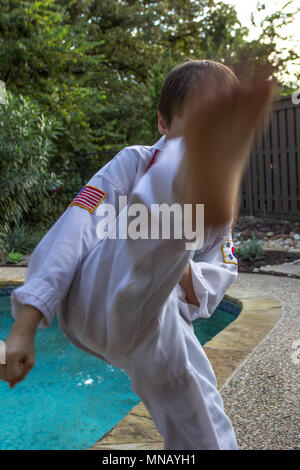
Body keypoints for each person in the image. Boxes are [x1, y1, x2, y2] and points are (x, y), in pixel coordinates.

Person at [0, 60, 274, 450]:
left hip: (160, 325)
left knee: (206, 424)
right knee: (137, 227)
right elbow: (74, 232)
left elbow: (212, 284)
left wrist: (177, 265)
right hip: (97, 299)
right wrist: (23, 328)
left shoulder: (219, 214)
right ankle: (173, 190)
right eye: (198, 128)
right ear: (163, 123)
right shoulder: (132, 163)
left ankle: (173, 206)